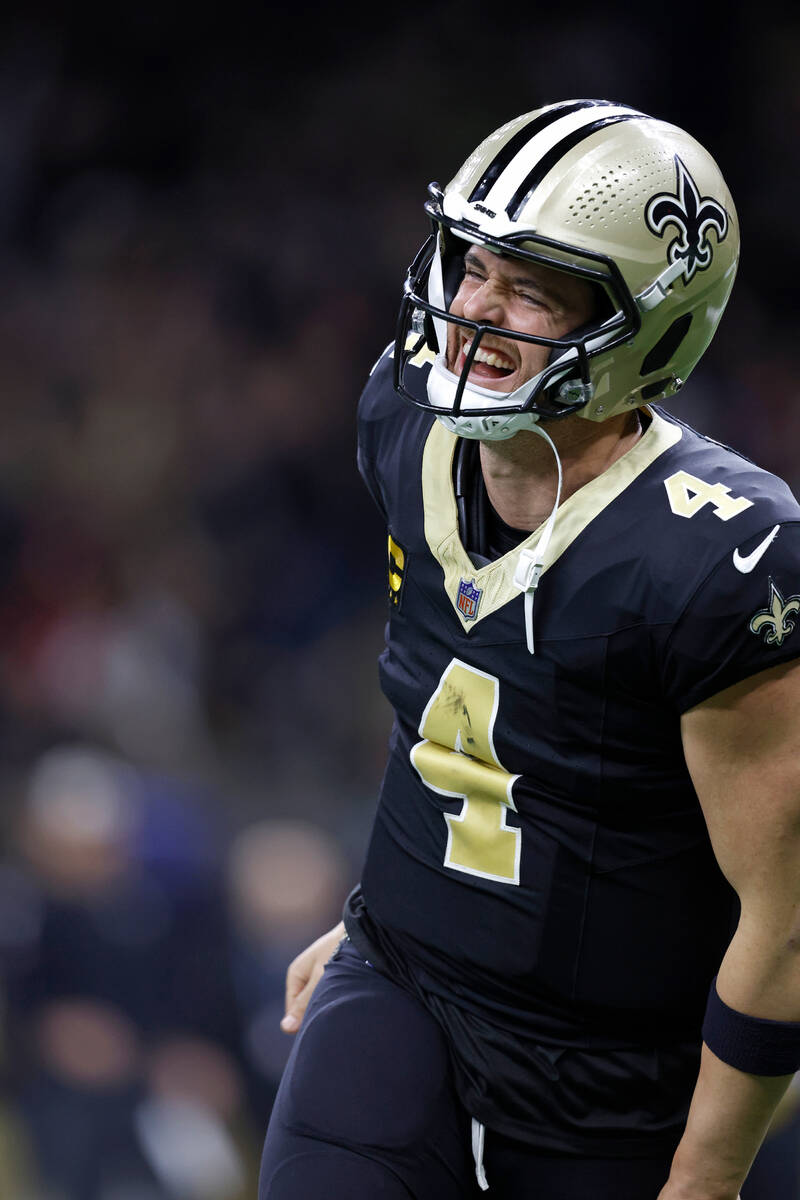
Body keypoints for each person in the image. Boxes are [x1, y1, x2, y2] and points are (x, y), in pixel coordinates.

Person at [259, 98, 800, 1200]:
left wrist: (705, 1176)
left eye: (532, 291)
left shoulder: (718, 558)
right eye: (472, 267)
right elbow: (454, 701)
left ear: (646, 328)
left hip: (601, 1072)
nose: (472, 312)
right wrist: (390, 901)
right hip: (400, 982)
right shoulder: (404, 427)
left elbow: (785, 917)